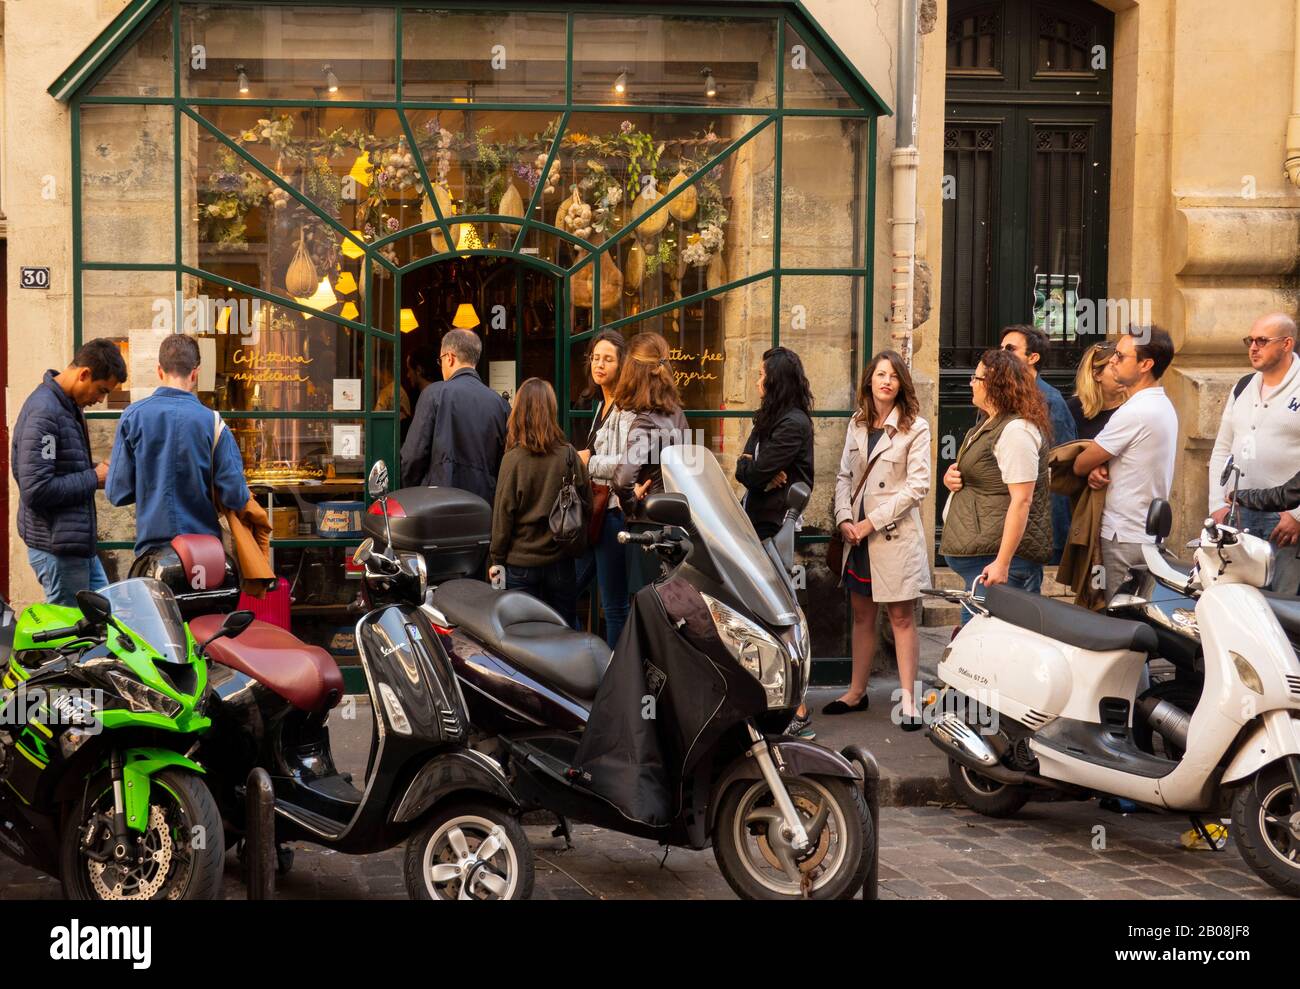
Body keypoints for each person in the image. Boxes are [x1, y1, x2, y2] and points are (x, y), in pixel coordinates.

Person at [830, 350, 931, 730]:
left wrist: (870, 522)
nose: (886, 381)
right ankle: (856, 692)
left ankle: (908, 701)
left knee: (902, 617)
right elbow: (843, 477)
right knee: (861, 615)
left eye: (893, 376)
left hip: (892, 537)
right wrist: (844, 519)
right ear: (869, 381)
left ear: (901, 384)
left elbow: (917, 487)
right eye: (880, 375)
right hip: (856, 538)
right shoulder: (856, 424)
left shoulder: (915, 428)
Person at [107, 334, 251, 555]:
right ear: (195, 373)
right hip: (204, 550)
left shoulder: (132, 417)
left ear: (159, 370)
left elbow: (117, 492)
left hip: (152, 549)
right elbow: (236, 496)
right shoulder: (213, 422)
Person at [736, 346, 815, 737]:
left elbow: (755, 471)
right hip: (757, 524)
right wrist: (757, 470)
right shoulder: (770, 419)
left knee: (779, 612)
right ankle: (777, 701)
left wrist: (758, 471)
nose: (756, 380)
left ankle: (797, 709)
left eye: (761, 374)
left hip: (775, 528)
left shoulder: (794, 424)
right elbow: (743, 470)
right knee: (762, 613)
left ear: (776, 380)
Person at [940, 348, 1053, 618]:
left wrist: (1002, 563)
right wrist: (952, 478)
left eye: (976, 378)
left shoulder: (1017, 431)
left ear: (994, 385)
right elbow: (987, 476)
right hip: (982, 557)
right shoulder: (990, 423)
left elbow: (1022, 499)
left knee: (994, 641)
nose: (971, 383)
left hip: (999, 563)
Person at [13, 339, 126, 604]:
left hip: (74, 546)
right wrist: (93, 476)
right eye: (101, 390)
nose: (100, 399)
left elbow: (63, 466)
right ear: (84, 373)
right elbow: (37, 489)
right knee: (70, 634)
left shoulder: (66, 406)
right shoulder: (45, 412)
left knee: (104, 618)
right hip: (57, 549)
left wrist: (96, 472)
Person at [1071, 326, 1179, 601]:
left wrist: (1094, 464)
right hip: (1140, 531)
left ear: (1145, 364)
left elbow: (1081, 464)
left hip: (1124, 533)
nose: (1113, 361)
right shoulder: (1160, 404)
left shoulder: (1135, 411)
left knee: (1119, 618)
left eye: (1120, 356)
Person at [1207, 313, 1300, 594]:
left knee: (1284, 606)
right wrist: (1217, 504)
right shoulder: (1243, 385)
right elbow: (1222, 448)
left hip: (1283, 520)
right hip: (1238, 515)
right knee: (1239, 600)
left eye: (1262, 340)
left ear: (1286, 344)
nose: (1253, 347)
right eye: (1250, 340)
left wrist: (1297, 515)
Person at [488, 378, 592, 627]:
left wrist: (496, 561)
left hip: (519, 565)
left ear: (519, 412)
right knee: (563, 633)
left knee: (522, 638)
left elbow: (503, 517)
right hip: (560, 562)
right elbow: (586, 503)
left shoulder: (512, 460)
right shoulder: (568, 454)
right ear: (551, 411)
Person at [611, 333, 689, 588]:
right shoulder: (677, 414)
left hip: (649, 530)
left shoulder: (645, 421)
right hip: (678, 526)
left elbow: (622, 479)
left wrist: (631, 502)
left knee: (648, 609)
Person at [400, 328, 510, 503]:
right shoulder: (500, 404)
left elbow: (413, 456)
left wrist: (411, 493)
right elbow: (505, 462)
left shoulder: (434, 394)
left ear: (449, 358)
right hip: (483, 506)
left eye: (441, 360)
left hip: (438, 504)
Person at [576, 330, 636, 647]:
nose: (599, 364)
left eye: (608, 359)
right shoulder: (601, 406)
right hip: (593, 512)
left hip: (612, 514)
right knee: (568, 590)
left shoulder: (626, 409)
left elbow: (626, 463)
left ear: (621, 365)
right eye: (596, 358)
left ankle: (616, 675)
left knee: (614, 606)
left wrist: (587, 461)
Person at [1000, 325, 1077, 563]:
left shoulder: (1050, 401)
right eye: (1001, 348)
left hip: (1035, 526)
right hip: (1000, 517)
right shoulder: (997, 395)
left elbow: (1060, 465)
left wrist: (1053, 536)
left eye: (1010, 349)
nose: (1002, 353)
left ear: (1033, 358)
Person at [1065, 342, 1126, 440]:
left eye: (1125, 367)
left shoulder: (1134, 406)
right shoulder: (1071, 410)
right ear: (1096, 375)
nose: (1124, 374)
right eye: (1114, 368)